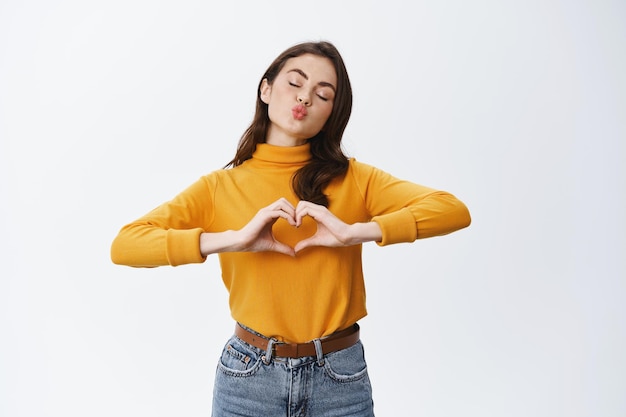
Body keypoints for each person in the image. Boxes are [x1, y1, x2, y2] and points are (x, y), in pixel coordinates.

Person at [111, 40, 471, 417]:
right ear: (265, 89)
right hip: (248, 378)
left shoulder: (354, 178)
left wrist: (356, 232)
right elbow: (126, 245)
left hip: (339, 377)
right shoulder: (220, 187)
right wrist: (233, 239)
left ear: (333, 112)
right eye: (295, 83)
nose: (306, 98)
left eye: (323, 94)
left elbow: (452, 210)